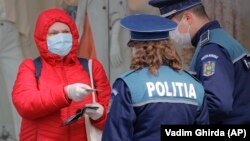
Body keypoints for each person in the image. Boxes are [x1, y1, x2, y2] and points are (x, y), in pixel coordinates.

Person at [102, 14, 209, 141]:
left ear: (137, 49)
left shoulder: (128, 84)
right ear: (168, 48)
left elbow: (115, 136)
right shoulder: (195, 86)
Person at [12, 8, 111, 140]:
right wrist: (65, 93)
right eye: (53, 33)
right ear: (42, 38)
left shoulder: (92, 67)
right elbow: (25, 105)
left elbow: (114, 119)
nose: (61, 37)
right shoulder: (30, 67)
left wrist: (101, 115)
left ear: (73, 35)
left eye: (65, 32)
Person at [148, 0, 250, 124]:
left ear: (187, 17)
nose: (170, 34)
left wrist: (181, 116)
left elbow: (217, 104)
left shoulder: (211, 49)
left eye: (172, 26)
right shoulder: (219, 39)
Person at [0, 0, 29, 140]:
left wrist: (23, 29)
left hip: (9, 27)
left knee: (21, 91)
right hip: (8, 27)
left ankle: (24, 136)